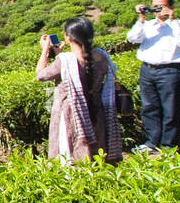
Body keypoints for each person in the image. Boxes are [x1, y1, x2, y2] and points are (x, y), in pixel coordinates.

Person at [35, 17, 122, 164]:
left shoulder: (65, 60)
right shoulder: (101, 56)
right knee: (97, 156)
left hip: (71, 114)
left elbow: (40, 75)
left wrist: (45, 50)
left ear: (68, 38)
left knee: (71, 153)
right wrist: (58, 55)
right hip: (96, 110)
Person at [126, 0, 180, 153]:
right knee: (149, 107)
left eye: (161, 6)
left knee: (171, 109)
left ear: (170, 7)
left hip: (169, 71)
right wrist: (141, 19)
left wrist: (171, 20)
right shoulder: (148, 25)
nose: (157, 10)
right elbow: (132, 38)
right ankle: (151, 143)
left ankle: (169, 146)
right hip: (147, 69)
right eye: (155, 6)